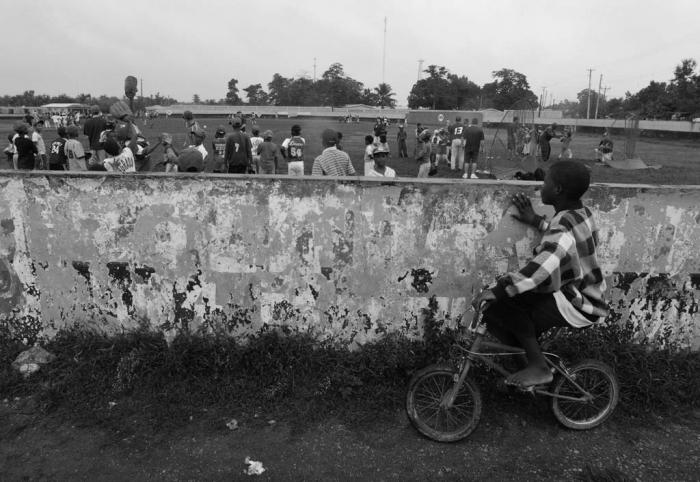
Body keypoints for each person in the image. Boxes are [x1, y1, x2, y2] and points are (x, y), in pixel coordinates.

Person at [472, 160, 608, 388]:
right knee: (501, 315)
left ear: (557, 190)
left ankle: (539, 368)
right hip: (582, 294)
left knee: (506, 305)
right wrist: (536, 221)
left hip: (576, 301)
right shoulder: (580, 213)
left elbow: (541, 269)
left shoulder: (562, 225)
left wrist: (498, 289)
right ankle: (528, 369)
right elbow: (567, 238)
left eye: (545, 182)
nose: (540, 187)